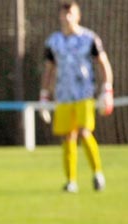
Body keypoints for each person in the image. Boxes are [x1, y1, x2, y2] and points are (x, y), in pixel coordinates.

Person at [40, 0, 114, 193]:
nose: (67, 17)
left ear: (78, 16)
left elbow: (103, 64)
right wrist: (44, 95)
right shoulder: (53, 42)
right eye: (64, 14)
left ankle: (97, 173)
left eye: (71, 13)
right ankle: (71, 180)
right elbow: (48, 70)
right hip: (63, 96)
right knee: (68, 136)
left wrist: (107, 89)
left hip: (83, 94)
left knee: (84, 132)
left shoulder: (89, 39)